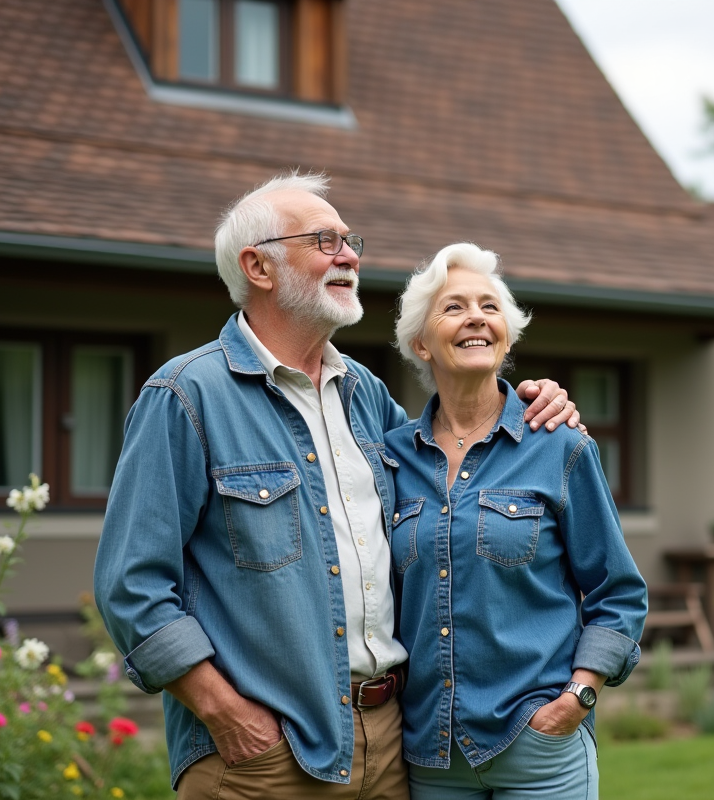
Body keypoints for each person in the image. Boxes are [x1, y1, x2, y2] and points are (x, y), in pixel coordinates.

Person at [93, 173, 581, 800]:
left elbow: (454, 478)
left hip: (389, 742)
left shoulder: (366, 397)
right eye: (325, 240)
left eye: (350, 240)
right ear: (258, 266)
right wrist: (224, 713)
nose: (350, 255)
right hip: (262, 755)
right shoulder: (186, 397)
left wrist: (531, 403)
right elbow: (131, 586)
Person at [385, 243, 648, 800]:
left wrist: (579, 697)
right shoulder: (389, 459)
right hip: (432, 754)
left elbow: (618, 592)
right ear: (420, 343)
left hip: (537, 745)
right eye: (453, 307)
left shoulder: (560, 445)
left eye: (489, 306)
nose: (476, 316)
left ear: (506, 333)